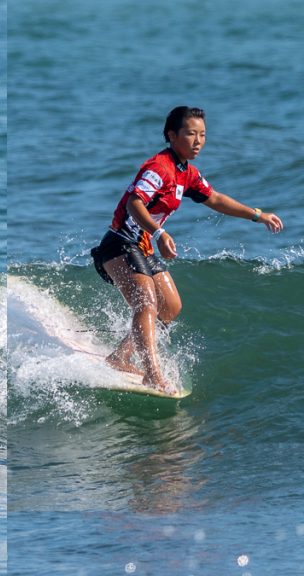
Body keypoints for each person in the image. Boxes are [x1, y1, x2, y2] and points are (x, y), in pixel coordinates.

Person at [91, 106, 283, 393]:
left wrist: (257, 215)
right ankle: (152, 373)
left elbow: (214, 198)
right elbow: (134, 203)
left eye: (202, 135)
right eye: (191, 134)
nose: (198, 141)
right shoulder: (159, 168)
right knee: (146, 303)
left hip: (141, 246)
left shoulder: (186, 173)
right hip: (119, 243)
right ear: (172, 135)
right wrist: (159, 233)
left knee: (170, 307)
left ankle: (120, 357)